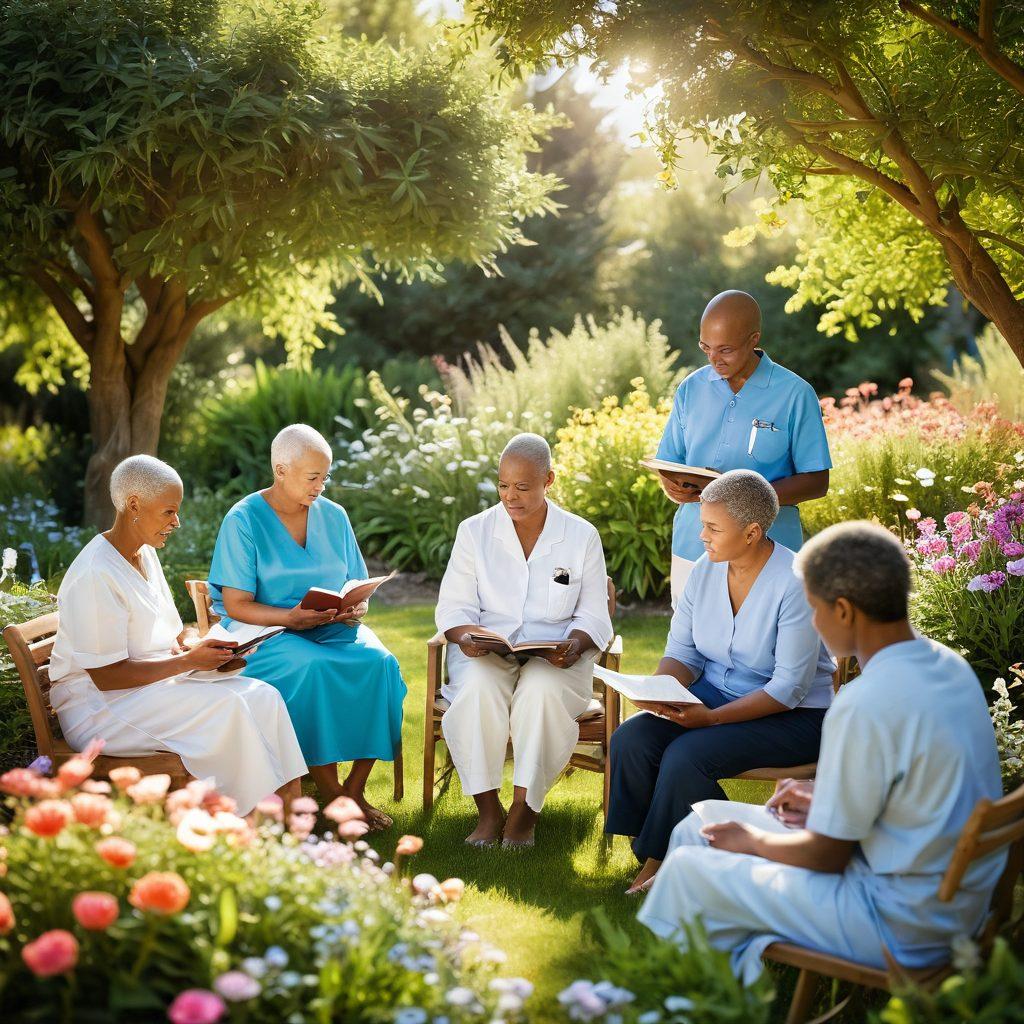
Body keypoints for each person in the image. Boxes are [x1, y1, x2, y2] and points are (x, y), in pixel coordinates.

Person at [637, 521, 1006, 983]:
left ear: (845, 611)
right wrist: (824, 803)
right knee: (702, 821)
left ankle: (689, 998)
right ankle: (718, 978)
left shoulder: (865, 701)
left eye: (814, 608)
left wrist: (752, 843)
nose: (812, 622)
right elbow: (914, 787)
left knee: (693, 867)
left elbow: (828, 856)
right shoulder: (946, 665)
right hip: (947, 894)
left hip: (896, 920)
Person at [606, 469, 834, 894]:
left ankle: (663, 861)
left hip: (796, 716)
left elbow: (789, 688)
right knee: (632, 740)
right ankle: (670, 847)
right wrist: (659, 692)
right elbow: (683, 653)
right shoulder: (704, 572)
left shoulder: (796, 583)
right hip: (716, 695)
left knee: (687, 755)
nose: (702, 537)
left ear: (751, 533)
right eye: (702, 525)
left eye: (712, 528)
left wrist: (710, 720)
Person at [48, 455, 306, 815]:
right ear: (134, 505)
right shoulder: (95, 573)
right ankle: (244, 820)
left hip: (144, 688)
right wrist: (188, 661)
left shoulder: (144, 553)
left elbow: (165, 632)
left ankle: (291, 815)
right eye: (169, 512)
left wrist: (203, 651)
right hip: (99, 708)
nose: (177, 522)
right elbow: (107, 677)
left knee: (264, 696)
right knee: (229, 708)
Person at [207, 424, 406, 829]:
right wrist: (290, 617)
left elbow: (356, 583)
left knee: (381, 664)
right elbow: (236, 605)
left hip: (332, 628)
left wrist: (356, 606)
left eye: (325, 477)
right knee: (312, 669)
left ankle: (353, 791)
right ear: (281, 470)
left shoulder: (335, 516)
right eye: (312, 477)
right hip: (270, 634)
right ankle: (333, 794)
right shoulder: (244, 519)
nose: (321, 486)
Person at [435, 433, 613, 848]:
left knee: (541, 693)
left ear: (549, 479)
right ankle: (488, 811)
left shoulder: (580, 535)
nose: (510, 496)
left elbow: (593, 613)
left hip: (556, 656)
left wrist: (576, 643)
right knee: (477, 688)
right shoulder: (474, 531)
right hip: (488, 650)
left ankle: (523, 814)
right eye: (503, 485)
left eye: (522, 487)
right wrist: (466, 638)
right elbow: (453, 607)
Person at [655, 290, 831, 602]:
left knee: (770, 644)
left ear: (753, 340)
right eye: (705, 348)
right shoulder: (690, 389)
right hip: (694, 545)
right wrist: (672, 487)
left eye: (726, 350)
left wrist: (743, 499)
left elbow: (817, 481)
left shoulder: (795, 393)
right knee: (691, 644)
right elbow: (669, 462)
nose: (714, 359)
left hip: (771, 549)